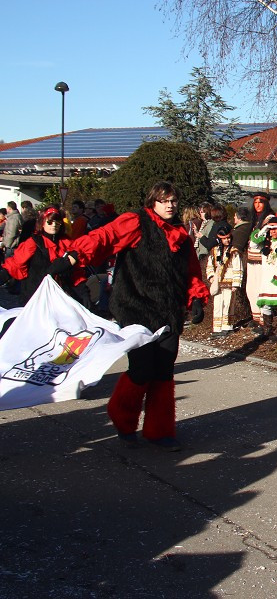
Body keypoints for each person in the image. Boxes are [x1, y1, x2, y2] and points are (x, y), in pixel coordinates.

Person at [68, 181, 209, 451]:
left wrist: (196, 298)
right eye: (164, 200)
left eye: (174, 200)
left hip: (168, 310)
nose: (170, 205)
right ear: (152, 201)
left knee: (164, 371)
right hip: (136, 307)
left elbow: (190, 270)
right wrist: (73, 256)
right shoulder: (135, 221)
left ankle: (160, 431)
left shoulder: (180, 233)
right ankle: (122, 416)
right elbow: (103, 237)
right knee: (143, 368)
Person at [0, 205, 90, 306]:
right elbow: (15, 265)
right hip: (36, 296)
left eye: (57, 222)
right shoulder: (33, 243)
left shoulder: (67, 244)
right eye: (50, 222)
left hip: (60, 297)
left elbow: (76, 272)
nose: (54, 225)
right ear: (42, 223)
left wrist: (83, 293)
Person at [249, 216, 277, 338]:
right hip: (267, 279)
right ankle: (267, 330)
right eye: (271, 229)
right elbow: (253, 244)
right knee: (265, 305)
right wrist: (265, 228)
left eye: (275, 229)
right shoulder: (265, 243)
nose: (273, 231)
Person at [205, 224, 244, 338]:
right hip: (218, 283)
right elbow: (209, 265)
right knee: (217, 305)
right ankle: (217, 328)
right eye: (224, 238)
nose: (227, 240)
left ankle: (227, 326)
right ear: (219, 239)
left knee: (228, 304)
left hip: (230, 282)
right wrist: (211, 276)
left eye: (228, 238)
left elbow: (238, 268)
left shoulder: (234, 251)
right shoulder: (214, 251)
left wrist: (236, 284)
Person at [246, 194, 277, 330]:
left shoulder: (269, 218)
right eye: (255, 202)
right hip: (251, 258)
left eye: (260, 202)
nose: (257, 205)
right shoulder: (253, 218)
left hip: (262, 259)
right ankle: (255, 317)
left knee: (260, 289)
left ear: (265, 204)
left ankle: (264, 320)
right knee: (250, 289)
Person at [228, 206, 254, 329]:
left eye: (234, 216)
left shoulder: (239, 231)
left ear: (239, 217)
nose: (233, 218)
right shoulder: (249, 227)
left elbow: (236, 249)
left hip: (240, 263)